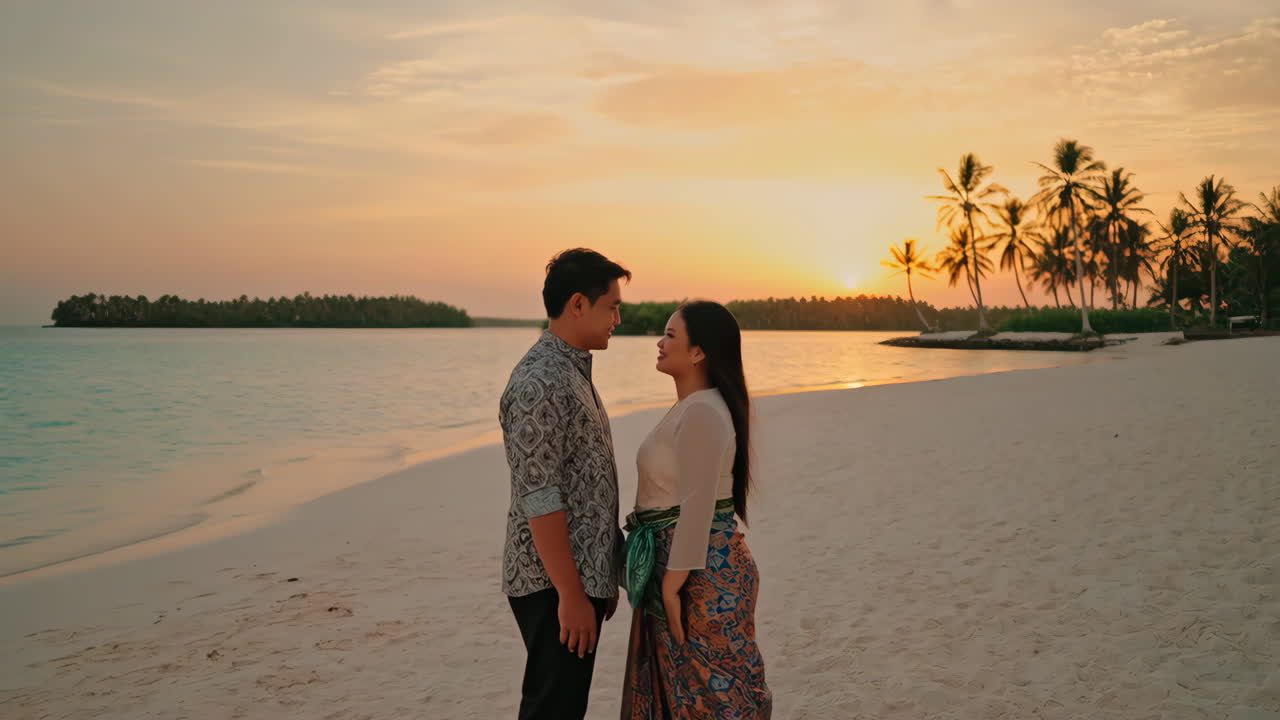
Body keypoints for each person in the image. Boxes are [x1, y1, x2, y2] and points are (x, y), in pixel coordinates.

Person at [621, 300, 772, 718]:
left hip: (700, 572)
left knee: (714, 698)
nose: (660, 342)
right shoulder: (696, 406)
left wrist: (672, 583)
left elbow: (698, 504)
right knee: (691, 693)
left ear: (698, 352)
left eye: (670, 335)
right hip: (690, 564)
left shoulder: (703, 411)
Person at [499, 248, 631, 720]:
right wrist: (573, 595)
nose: (618, 317)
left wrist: (605, 572)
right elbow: (541, 497)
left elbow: (585, 485)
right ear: (578, 304)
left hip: (573, 580)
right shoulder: (541, 381)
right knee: (552, 710)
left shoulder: (571, 371)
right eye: (612, 305)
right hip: (553, 585)